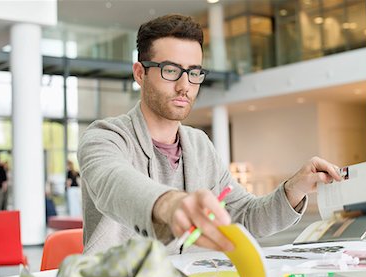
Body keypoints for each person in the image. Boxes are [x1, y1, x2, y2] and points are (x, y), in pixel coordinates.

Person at [77, 14, 341, 255]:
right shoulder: (104, 137)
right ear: (140, 73)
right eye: (170, 70)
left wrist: (293, 190)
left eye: (193, 73)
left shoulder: (199, 145)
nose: (184, 86)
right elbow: (115, 183)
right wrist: (171, 205)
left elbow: (246, 216)